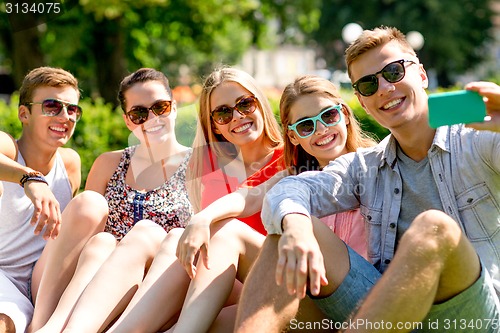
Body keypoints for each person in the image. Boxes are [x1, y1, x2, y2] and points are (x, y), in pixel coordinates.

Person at [234, 26, 500, 333]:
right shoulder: (364, 167)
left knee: (434, 226)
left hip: (470, 317)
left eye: (394, 71)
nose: (385, 88)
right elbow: (291, 188)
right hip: (388, 316)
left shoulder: (478, 141)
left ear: (422, 75)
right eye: (369, 84)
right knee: (285, 232)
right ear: (361, 101)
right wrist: (296, 226)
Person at [172, 74, 377, 332]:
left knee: (248, 236)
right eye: (306, 126)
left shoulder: (375, 164)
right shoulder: (295, 176)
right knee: (209, 323)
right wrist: (201, 218)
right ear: (292, 136)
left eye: (328, 116)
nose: (321, 130)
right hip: (314, 300)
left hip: (365, 302)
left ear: (344, 114)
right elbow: (248, 198)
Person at [28, 68, 193, 333]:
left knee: (146, 234)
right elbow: (87, 238)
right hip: (87, 284)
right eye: (139, 113)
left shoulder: (199, 167)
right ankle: (45, 325)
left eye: (159, 107)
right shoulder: (110, 163)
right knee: (100, 232)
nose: (151, 118)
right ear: (128, 121)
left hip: (153, 293)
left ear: (173, 108)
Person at [0, 67, 82, 333]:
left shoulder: (70, 163)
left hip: (42, 285)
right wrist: (30, 179)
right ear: (24, 114)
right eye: (51, 106)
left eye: (72, 110)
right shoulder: (8, 147)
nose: (65, 116)